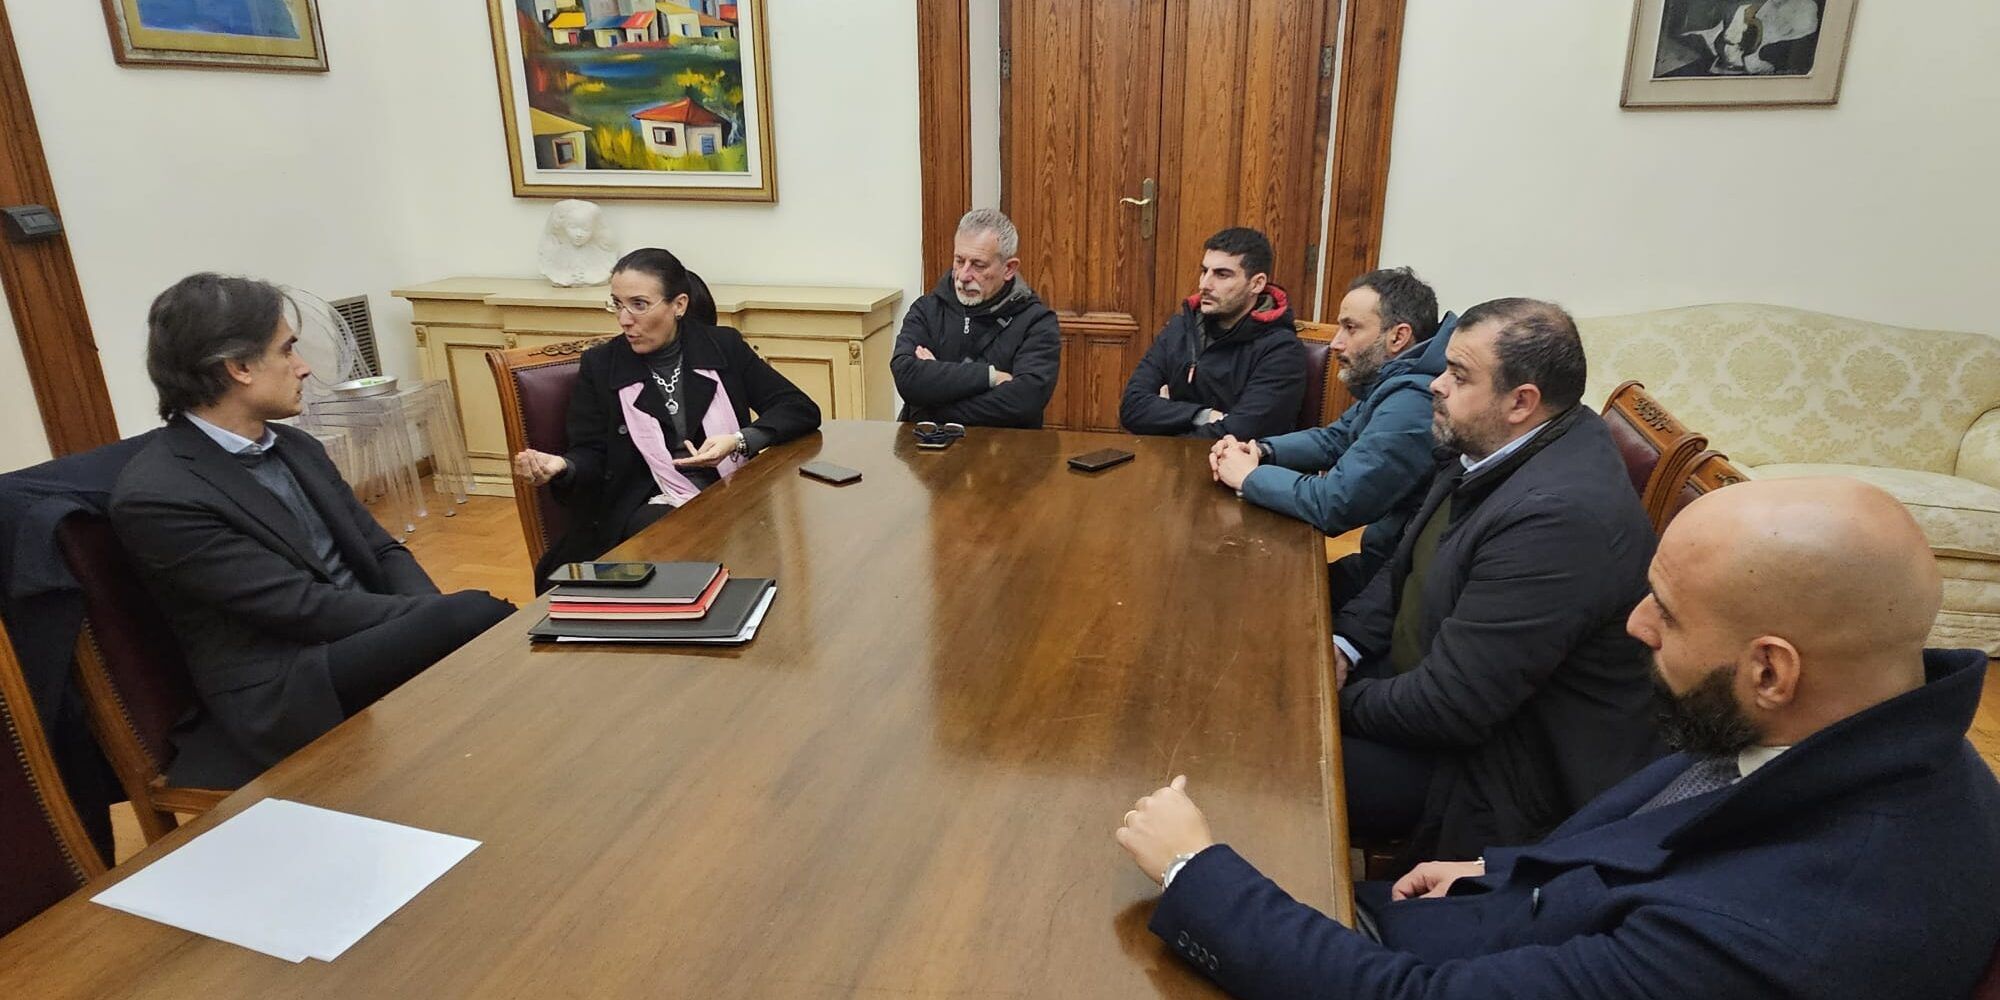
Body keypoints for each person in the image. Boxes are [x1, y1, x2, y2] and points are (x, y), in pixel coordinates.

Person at [1115, 477, 2000, 999]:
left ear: (1772, 670)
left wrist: (1200, 874)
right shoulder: (1874, 724)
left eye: (1667, 612)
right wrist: (1499, 871)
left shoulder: (1781, 933)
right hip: (1492, 921)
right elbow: (1669, 826)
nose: (1634, 625)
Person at [111, 273, 514, 789]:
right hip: (288, 684)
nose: (303, 368)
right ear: (238, 368)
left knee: (470, 629)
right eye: (288, 351)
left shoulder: (295, 446)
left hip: (356, 639)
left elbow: (381, 549)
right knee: (479, 613)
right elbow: (299, 609)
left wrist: (432, 628)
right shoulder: (159, 495)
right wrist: (439, 620)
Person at [1331, 298, 1661, 860]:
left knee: (1260, 756)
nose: (1435, 385)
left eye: (1458, 375)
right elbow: (1406, 567)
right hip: (1425, 691)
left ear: (1521, 402)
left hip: (1494, 773)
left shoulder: (1558, 518)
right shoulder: (1492, 444)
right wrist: (1344, 646)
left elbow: (1448, 707)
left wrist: (1326, 699)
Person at [513, 248, 821, 583]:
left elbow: (798, 407)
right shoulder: (601, 366)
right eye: (617, 304)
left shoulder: (723, 346)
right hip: (644, 508)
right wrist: (563, 466)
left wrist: (739, 441)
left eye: (639, 305)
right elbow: (591, 454)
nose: (624, 319)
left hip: (734, 495)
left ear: (679, 305)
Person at [1210, 267, 1457, 607]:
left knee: (1244, 594)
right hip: (1382, 566)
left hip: (1389, 588)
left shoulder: (1413, 403)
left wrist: (1250, 476)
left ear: (1398, 337)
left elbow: (1336, 503)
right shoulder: (1401, 379)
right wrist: (1259, 450)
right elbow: (1335, 439)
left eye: (1350, 328)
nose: (1336, 342)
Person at [1119, 227, 1307, 440]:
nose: (1204, 284)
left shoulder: (1281, 350)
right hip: (1165, 465)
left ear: (1256, 283)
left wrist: (1165, 416)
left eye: (1221, 274)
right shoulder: (1180, 329)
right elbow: (1131, 408)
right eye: (1204, 271)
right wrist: (1204, 416)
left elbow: (1242, 434)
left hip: (1235, 471)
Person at [891, 208, 1061, 428]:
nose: (963, 276)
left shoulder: (1037, 322)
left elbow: (1025, 402)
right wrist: (991, 377)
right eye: (959, 261)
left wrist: (931, 404)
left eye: (978, 265)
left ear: (1009, 268)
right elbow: (906, 377)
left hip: (1004, 454)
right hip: (928, 450)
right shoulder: (927, 310)